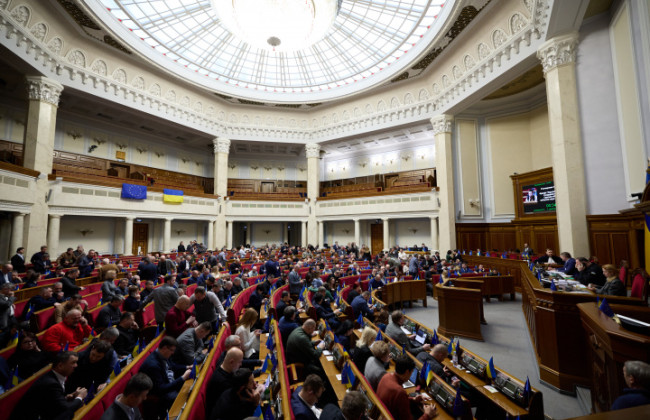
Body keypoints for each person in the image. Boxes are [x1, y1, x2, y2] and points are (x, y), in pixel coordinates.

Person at [10, 351, 87, 420]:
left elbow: (50, 400)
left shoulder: (53, 376)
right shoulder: (51, 383)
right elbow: (65, 409)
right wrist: (80, 397)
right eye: (73, 362)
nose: (76, 365)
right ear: (60, 366)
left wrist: (65, 398)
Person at [139, 336, 192, 412]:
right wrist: (182, 378)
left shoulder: (162, 354)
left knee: (190, 387)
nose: (173, 353)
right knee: (185, 400)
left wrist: (187, 367)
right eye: (172, 350)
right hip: (161, 393)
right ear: (164, 348)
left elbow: (172, 366)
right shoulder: (153, 366)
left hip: (169, 382)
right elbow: (161, 389)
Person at [376, 355, 438, 420]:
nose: (411, 374)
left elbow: (395, 401)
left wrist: (413, 399)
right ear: (407, 372)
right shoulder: (399, 392)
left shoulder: (386, 376)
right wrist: (427, 415)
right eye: (412, 372)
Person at [205, 347, 245, 417]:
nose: (241, 364)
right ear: (231, 362)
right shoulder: (222, 382)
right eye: (240, 362)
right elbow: (235, 403)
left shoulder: (225, 367)